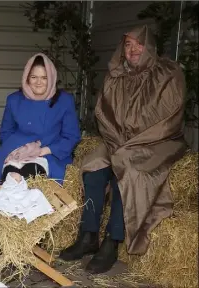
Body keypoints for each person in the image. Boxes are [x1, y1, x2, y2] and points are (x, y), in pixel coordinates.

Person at [59, 25, 187, 274]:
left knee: (125, 171)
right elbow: (102, 115)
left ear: (149, 46)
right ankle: (88, 235)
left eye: (139, 43)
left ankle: (112, 240)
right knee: (93, 168)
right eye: (128, 44)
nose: (133, 49)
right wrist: (116, 140)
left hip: (156, 143)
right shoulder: (116, 76)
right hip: (117, 141)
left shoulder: (168, 73)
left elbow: (169, 118)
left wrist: (131, 144)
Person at [0, 53, 81, 184]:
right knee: (11, 178)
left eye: (44, 78)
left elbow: (71, 136)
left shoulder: (64, 101)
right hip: (17, 152)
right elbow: (6, 132)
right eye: (34, 77)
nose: (38, 82)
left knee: (30, 179)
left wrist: (43, 151)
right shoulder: (14, 100)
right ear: (27, 78)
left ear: (51, 78)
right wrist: (16, 151)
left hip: (48, 154)